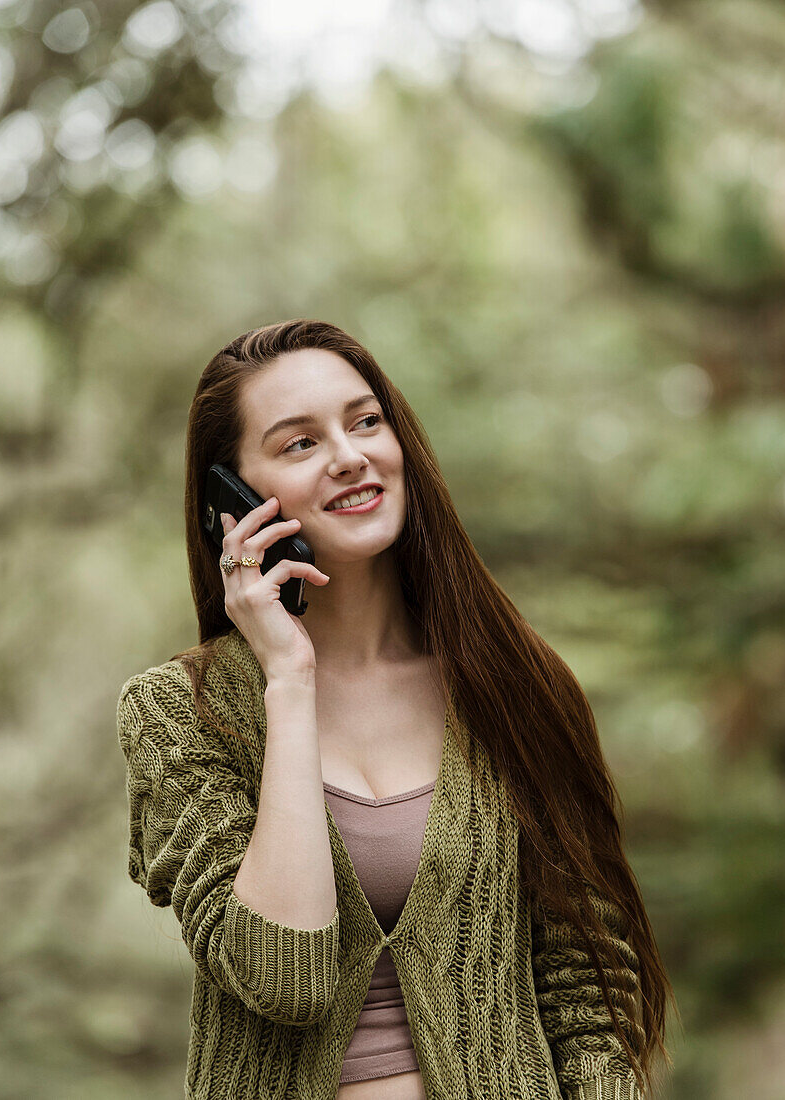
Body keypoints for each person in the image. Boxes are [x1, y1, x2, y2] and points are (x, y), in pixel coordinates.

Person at [117, 318, 676, 1100]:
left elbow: (589, 1004)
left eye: (365, 421)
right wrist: (288, 678)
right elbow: (286, 977)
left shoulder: (514, 685)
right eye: (299, 444)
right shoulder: (181, 712)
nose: (350, 457)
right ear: (232, 500)